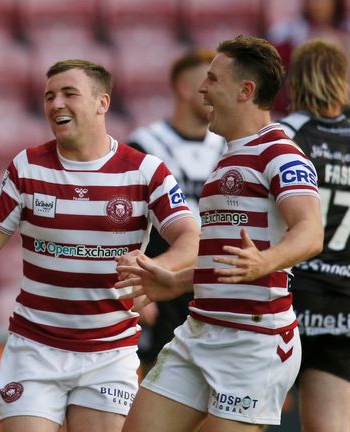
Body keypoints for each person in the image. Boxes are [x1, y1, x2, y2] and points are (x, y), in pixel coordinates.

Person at [0, 59, 200, 432]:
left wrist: (157, 269)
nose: (56, 104)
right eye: (49, 96)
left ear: (102, 103)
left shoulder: (145, 171)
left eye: (69, 94)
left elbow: (190, 238)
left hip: (108, 354)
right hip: (35, 350)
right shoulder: (28, 166)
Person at [114, 35, 324, 432]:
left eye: (213, 79)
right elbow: (223, 260)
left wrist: (267, 260)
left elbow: (311, 232)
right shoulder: (229, 153)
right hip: (199, 331)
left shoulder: (280, 153)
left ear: (246, 91)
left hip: (254, 343)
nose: (202, 88)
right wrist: (176, 281)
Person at [278, 39, 350, 432]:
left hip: (286, 296)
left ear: (294, 80)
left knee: (243, 418)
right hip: (345, 300)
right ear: (343, 81)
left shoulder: (281, 136)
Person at [127, 48, 224, 370]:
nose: (213, 92)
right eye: (206, 82)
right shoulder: (145, 146)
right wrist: (137, 285)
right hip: (163, 280)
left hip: (212, 282)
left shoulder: (229, 147)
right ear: (185, 87)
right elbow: (126, 221)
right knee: (154, 381)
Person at [267, 0, 350, 114]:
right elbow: (274, 59)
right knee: (326, 42)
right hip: (300, 88)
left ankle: (348, 108)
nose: (317, 5)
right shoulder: (290, 27)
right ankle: (321, 104)